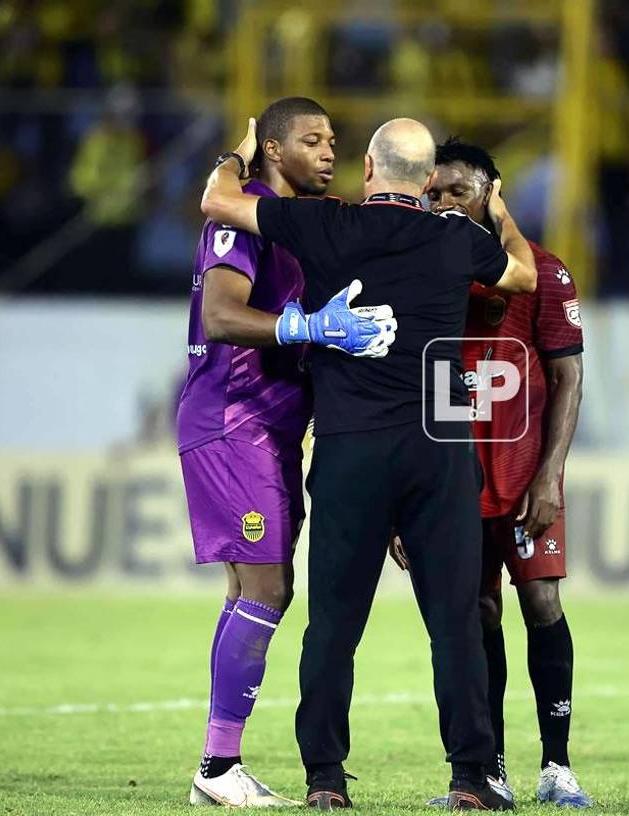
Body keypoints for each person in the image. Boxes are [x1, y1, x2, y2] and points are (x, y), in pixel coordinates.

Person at [201, 116, 537, 811]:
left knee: (334, 625)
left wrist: (236, 151)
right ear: (429, 181)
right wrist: (499, 210)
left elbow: (218, 202)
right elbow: (524, 274)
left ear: (371, 171)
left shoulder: (328, 225)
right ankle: (471, 780)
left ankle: (325, 781)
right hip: (440, 452)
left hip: (352, 448)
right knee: (455, 623)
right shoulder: (457, 237)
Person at [177, 96, 395, 808]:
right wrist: (307, 327)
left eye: (334, 139)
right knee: (267, 589)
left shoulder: (287, 221)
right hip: (232, 418)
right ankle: (217, 767)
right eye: (311, 140)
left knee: (257, 590)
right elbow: (220, 314)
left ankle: (219, 763)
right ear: (274, 151)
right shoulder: (243, 214)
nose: (329, 152)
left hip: (265, 427)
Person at [391, 138, 591, 808]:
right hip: (452, 485)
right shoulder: (417, 273)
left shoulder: (544, 274)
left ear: (491, 193)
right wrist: (403, 500)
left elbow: (568, 378)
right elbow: (406, 388)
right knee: (476, 616)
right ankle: (491, 767)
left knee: (541, 603)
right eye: (434, 191)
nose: (443, 202)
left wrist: (548, 477)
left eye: (459, 190)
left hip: (523, 477)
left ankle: (557, 766)